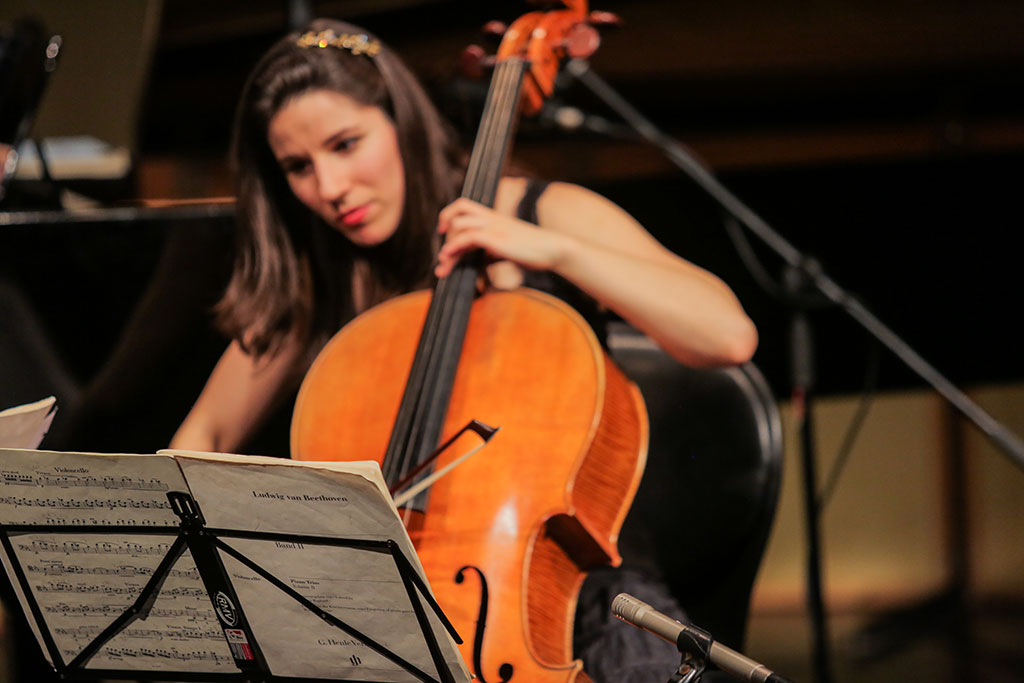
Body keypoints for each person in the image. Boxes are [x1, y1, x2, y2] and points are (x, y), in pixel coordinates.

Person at [170, 18, 758, 682]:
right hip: (381, 620)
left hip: (585, 609)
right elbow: (206, 432)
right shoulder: (319, 276)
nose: (329, 187)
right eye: (299, 168)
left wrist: (555, 249)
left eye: (346, 144)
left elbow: (727, 334)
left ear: (401, 122)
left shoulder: (538, 211)